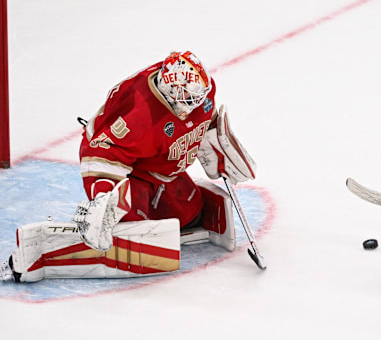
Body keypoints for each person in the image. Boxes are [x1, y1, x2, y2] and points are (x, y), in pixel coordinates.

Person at [0, 51, 257, 282]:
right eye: (186, 99)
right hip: (124, 168)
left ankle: (138, 214)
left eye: (195, 97)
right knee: (128, 224)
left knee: (191, 212)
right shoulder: (139, 112)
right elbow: (100, 153)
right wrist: (103, 196)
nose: (193, 105)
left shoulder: (202, 92)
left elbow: (203, 120)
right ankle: (67, 244)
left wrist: (216, 146)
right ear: (170, 93)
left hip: (160, 169)